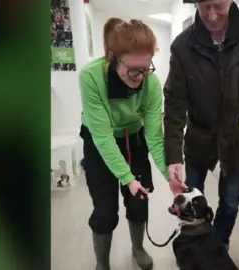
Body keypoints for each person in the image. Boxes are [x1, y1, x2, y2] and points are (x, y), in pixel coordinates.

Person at [164, 0, 239, 250]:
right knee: (191, 201)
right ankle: (195, 248)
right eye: (204, 6)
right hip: (198, 139)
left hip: (237, 140)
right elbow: (174, 104)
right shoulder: (183, 46)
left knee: (229, 203)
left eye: (218, 5)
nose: (212, 15)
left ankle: (218, 248)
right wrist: (173, 156)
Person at [79, 18, 172, 270]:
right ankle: (102, 263)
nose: (140, 77)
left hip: (134, 139)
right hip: (100, 141)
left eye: (145, 69)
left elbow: (153, 135)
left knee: (139, 201)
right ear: (113, 58)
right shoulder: (91, 77)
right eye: (133, 70)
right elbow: (103, 138)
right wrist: (126, 178)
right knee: (105, 210)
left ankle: (138, 248)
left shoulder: (151, 83)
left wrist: (169, 174)